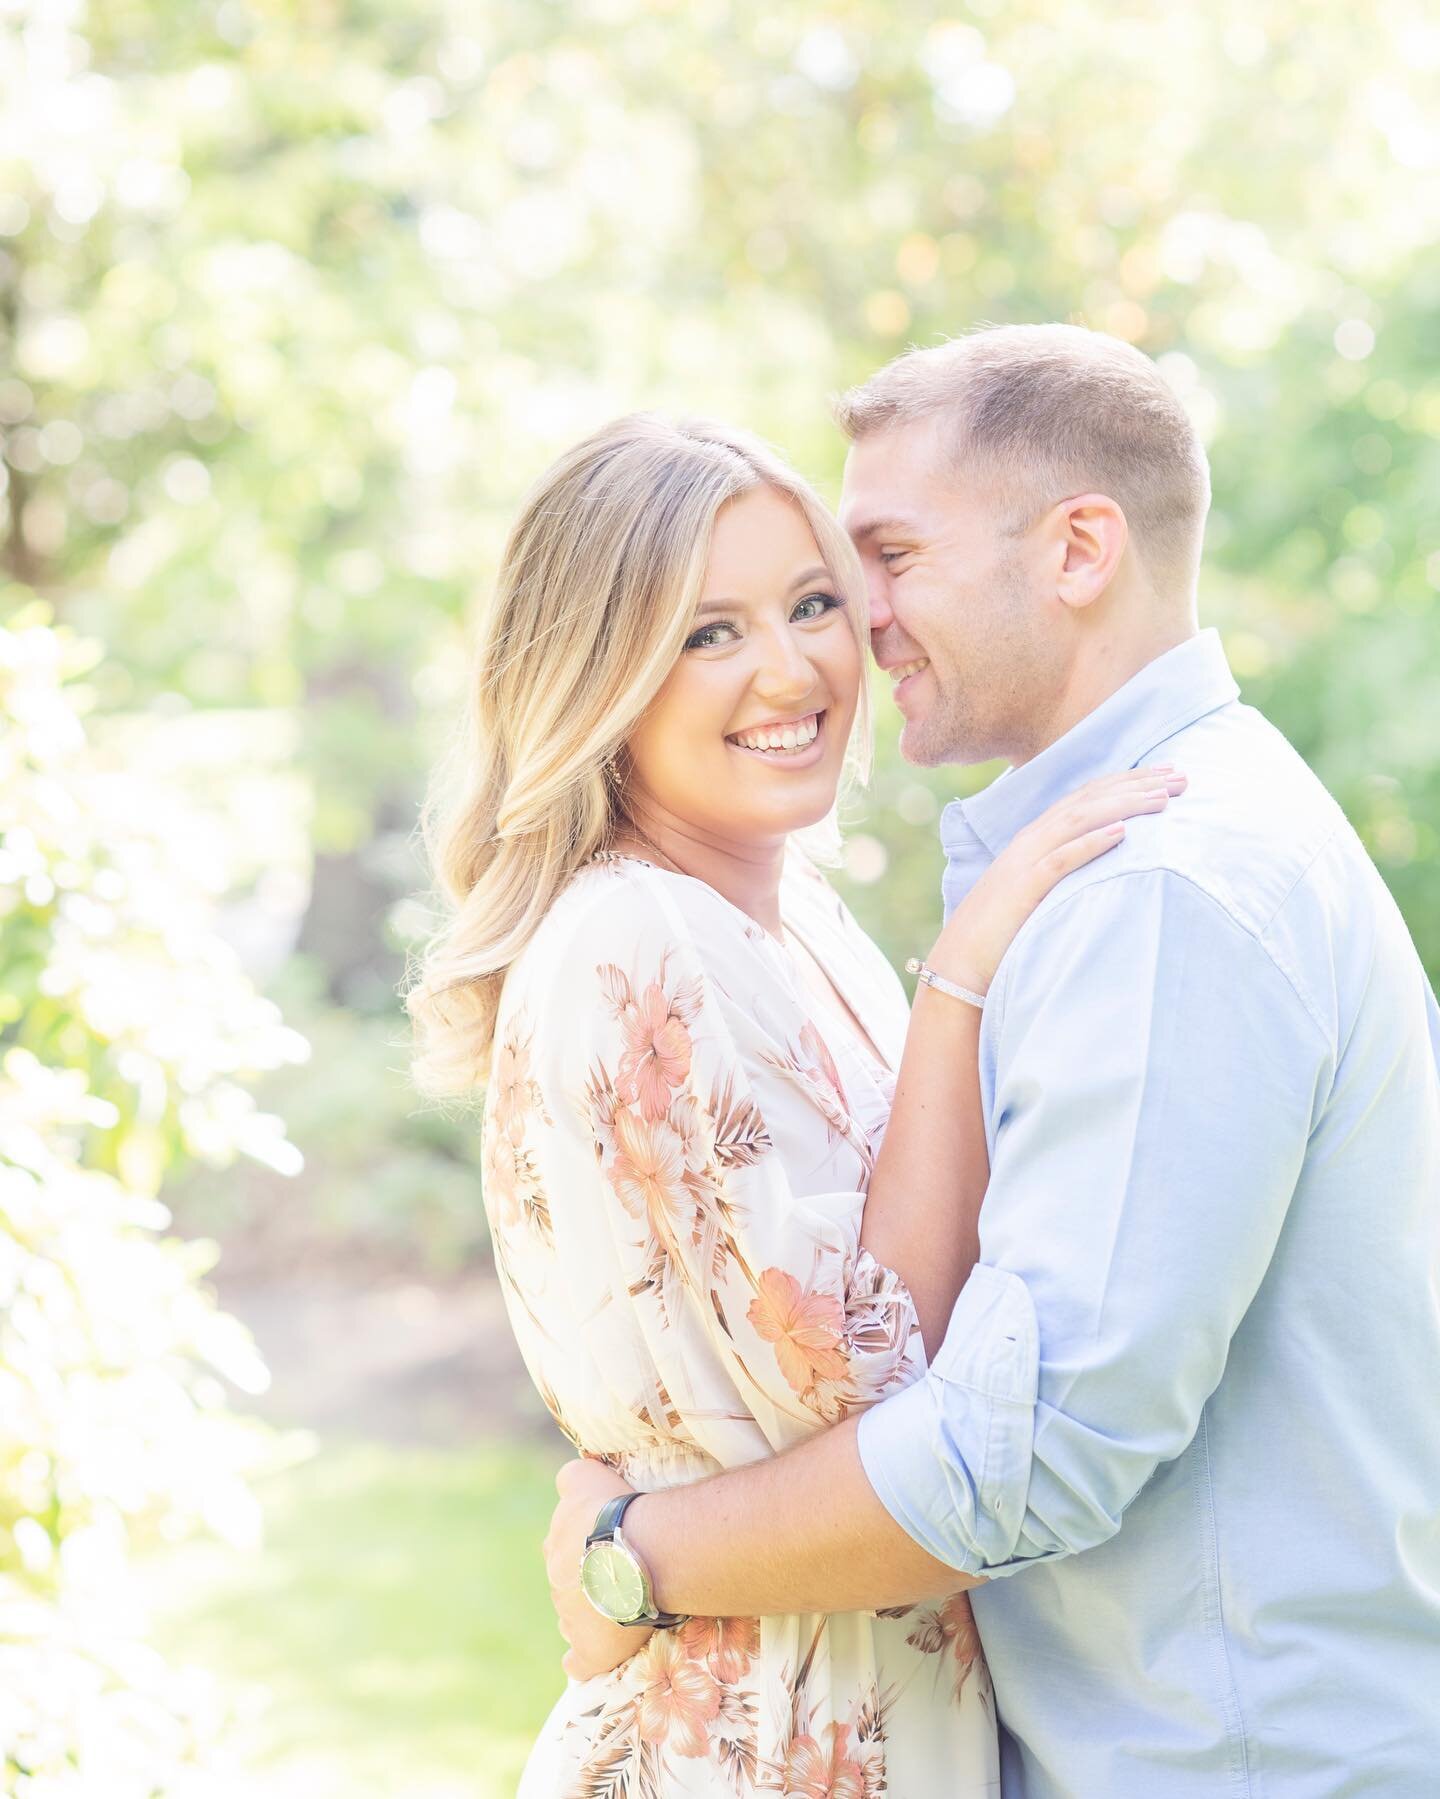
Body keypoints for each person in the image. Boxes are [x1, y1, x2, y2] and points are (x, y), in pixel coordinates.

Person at [544, 326, 1440, 1798]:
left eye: (888, 557)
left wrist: (628, 1554)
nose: (861, 625)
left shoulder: (1159, 890)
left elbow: (1028, 1453)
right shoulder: (1153, 849)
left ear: (1080, 549)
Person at [405, 404, 1182, 1795]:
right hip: (763, 1739)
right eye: (710, 632)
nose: (794, 667)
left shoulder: (789, 919)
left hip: (851, 1704)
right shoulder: (648, 938)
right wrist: (963, 981)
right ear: (601, 675)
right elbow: (886, 1386)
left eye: (814, 603)